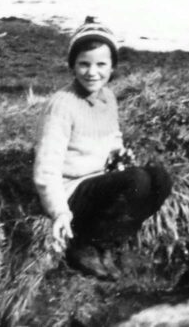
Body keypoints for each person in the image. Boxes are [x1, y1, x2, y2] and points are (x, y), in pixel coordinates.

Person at [32, 17, 172, 280]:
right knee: (138, 180)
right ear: (72, 65)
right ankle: (83, 245)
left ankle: (109, 244)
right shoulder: (61, 105)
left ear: (112, 67)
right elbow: (46, 169)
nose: (92, 72)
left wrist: (118, 154)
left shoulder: (107, 98)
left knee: (159, 178)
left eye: (101, 64)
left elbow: (113, 137)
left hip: (97, 183)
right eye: (83, 64)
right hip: (71, 191)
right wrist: (59, 212)